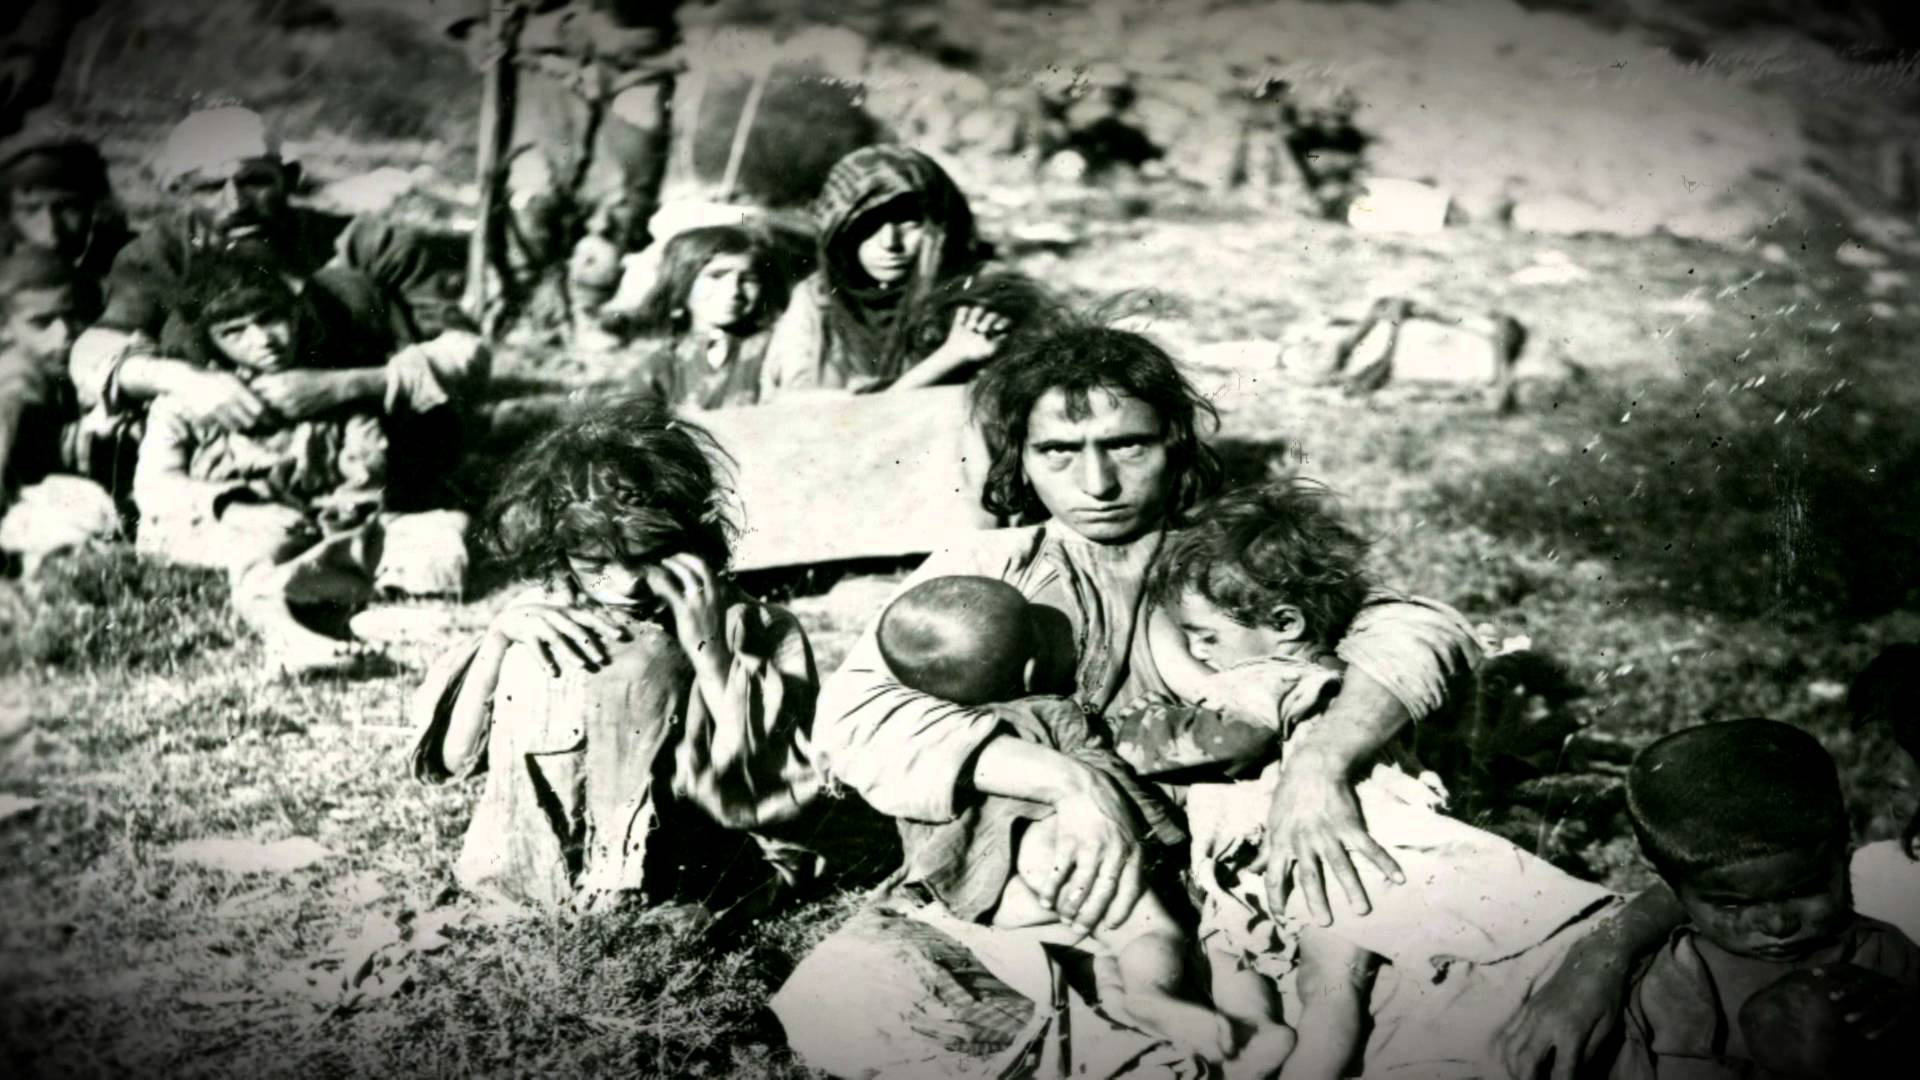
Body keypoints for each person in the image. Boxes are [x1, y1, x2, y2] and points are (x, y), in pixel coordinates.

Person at [773, 319, 1483, 1078]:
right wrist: (1067, 784)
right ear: (1021, 460)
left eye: (1128, 446)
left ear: (1175, 442)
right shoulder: (988, 568)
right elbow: (857, 716)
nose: (1098, 484)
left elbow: (1417, 629)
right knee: (853, 999)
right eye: (1059, 452)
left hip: (1243, 857)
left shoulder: (1231, 553)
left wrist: (1321, 765)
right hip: (1084, 886)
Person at [408, 394, 827, 916]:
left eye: (650, 557)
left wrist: (711, 655)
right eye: (596, 564)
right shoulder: (542, 617)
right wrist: (496, 644)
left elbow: (782, 792)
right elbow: (454, 760)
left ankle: (624, 883)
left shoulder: (755, 626)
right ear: (558, 550)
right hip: (532, 887)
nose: (627, 583)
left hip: (681, 879)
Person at [876, 574, 1238, 1062]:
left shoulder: (934, 740)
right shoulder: (1048, 712)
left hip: (987, 894)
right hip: (1062, 851)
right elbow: (1107, 777)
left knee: (1093, 947)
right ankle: (1154, 996)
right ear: (1031, 671)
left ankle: (1115, 1001)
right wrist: (1167, 833)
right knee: (1150, 933)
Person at [68, 106, 486, 504]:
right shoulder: (162, 253)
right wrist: (184, 381)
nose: (235, 203)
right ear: (179, 193)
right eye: (210, 187)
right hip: (220, 448)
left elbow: (469, 354)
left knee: (349, 291)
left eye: (255, 181)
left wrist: (344, 386)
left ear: (290, 178)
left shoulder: (365, 243)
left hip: (365, 442)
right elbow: (92, 355)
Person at [130, 255, 470, 672]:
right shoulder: (187, 402)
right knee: (263, 547)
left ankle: (361, 608)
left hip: (317, 524)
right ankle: (290, 638)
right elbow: (156, 486)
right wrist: (237, 508)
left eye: (270, 319)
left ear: (294, 312)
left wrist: (344, 507)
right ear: (211, 340)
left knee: (441, 532)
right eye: (234, 332)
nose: (262, 340)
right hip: (222, 524)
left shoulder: (324, 384)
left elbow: (366, 467)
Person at [1611, 718, 1920, 1079]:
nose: (1778, 925)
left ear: (1845, 841)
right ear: (1662, 878)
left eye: (1805, 890)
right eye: (1732, 905)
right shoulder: (1661, 991)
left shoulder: (1887, 956)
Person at [760, 144, 1054, 397]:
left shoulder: (985, 295)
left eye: (908, 221)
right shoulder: (818, 300)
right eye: (868, 224)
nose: (890, 243)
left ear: (941, 226)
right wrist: (949, 357)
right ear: (840, 231)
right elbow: (807, 416)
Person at [445, 0, 680, 313]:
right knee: (532, 194)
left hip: (636, 53)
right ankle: (526, 307)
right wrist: (472, 24)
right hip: (542, 57)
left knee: (624, 198)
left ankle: (589, 305)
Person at [616, 225, 789, 411]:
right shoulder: (658, 366)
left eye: (749, 279)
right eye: (716, 276)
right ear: (683, 281)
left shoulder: (777, 347)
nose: (733, 291)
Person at [0, 129, 130, 287]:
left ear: (92, 205)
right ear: (10, 214)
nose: (51, 231)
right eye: (31, 211)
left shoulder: (132, 258)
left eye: (67, 208)